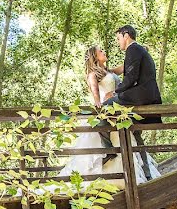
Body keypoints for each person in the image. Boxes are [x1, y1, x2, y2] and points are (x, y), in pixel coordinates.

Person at [56, 46, 159, 187]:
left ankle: (147, 174)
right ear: (94, 56)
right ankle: (110, 160)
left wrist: (140, 51)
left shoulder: (109, 71)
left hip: (120, 109)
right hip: (109, 111)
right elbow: (96, 97)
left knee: (137, 139)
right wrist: (102, 105)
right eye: (101, 52)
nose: (104, 52)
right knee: (117, 139)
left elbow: (126, 66)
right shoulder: (93, 74)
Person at [99, 25, 162, 180]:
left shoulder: (133, 49)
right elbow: (125, 71)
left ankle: (109, 151)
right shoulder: (138, 50)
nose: (118, 42)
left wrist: (115, 92)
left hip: (140, 96)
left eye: (118, 38)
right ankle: (147, 173)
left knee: (103, 111)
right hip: (143, 95)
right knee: (135, 132)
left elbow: (131, 78)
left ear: (126, 35)